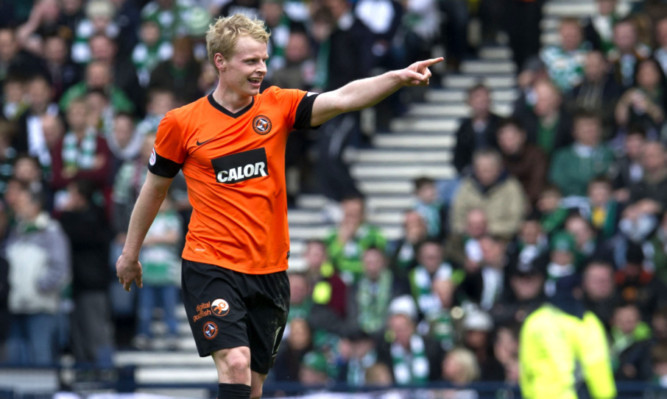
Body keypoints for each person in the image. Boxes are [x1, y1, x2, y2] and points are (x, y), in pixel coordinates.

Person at [115, 14, 441, 399]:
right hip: (210, 263)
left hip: (270, 270)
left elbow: (343, 98)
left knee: (252, 386)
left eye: (264, 59)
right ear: (220, 62)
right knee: (235, 362)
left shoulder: (278, 106)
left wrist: (397, 78)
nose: (262, 69)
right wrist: (130, 253)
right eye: (251, 61)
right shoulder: (181, 124)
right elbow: (153, 190)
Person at [519, 277, 616, 399]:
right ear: (578, 292)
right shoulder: (586, 322)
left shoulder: (535, 320)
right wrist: (605, 395)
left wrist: (528, 395)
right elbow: (596, 364)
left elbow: (527, 365)